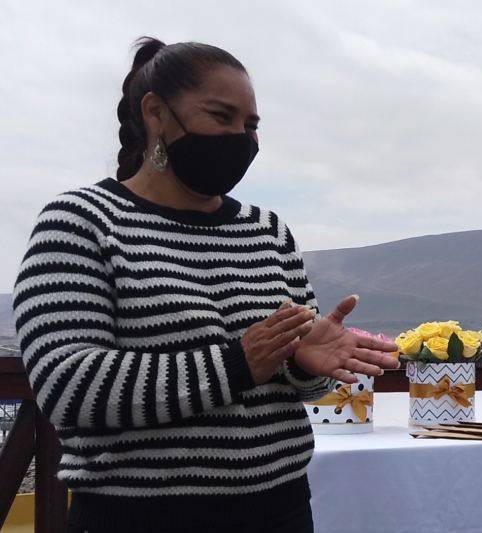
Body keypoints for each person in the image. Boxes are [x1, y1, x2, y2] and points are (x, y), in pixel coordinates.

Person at [13, 37, 398, 533]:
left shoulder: (267, 231)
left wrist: (305, 366)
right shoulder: (80, 222)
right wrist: (236, 363)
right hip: (137, 519)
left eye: (251, 125)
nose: (241, 137)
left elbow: (288, 381)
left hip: (281, 511)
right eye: (222, 117)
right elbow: (68, 386)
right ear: (156, 113)